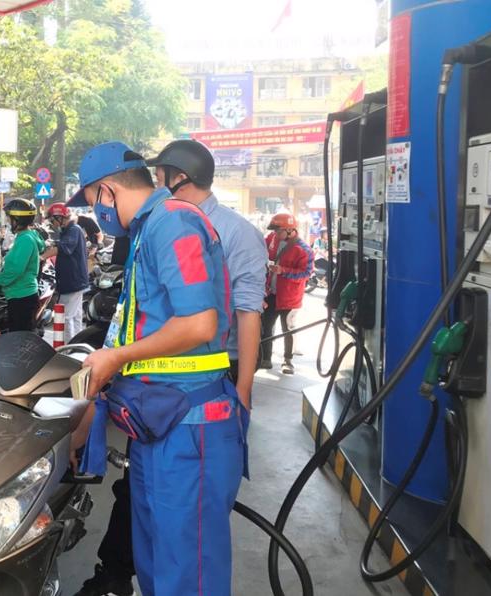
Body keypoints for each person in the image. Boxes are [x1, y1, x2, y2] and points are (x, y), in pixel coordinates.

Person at [74, 139, 265, 596]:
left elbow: (200, 324)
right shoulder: (150, 228)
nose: (97, 214)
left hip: (189, 430)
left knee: (187, 575)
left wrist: (116, 357)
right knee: (158, 563)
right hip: (160, 423)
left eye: (91, 202)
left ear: (106, 192)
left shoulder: (174, 223)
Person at [259, 213, 314, 375]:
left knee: (287, 329)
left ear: (290, 230)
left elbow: (306, 274)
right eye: (274, 231)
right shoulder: (271, 240)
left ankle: (288, 361)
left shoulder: (303, 250)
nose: (275, 234)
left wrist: (284, 271)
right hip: (271, 293)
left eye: (279, 231)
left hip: (289, 298)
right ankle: (265, 358)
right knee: (265, 327)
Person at [0, 198, 45, 332]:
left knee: (19, 340)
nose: (9, 222)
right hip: (21, 295)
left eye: (10, 219)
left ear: (17, 220)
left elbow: (16, 269)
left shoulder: (25, 240)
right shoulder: (25, 237)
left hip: (22, 298)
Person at [42, 202, 89, 342]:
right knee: (75, 316)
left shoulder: (73, 230)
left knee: (66, 316)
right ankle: (76, 344)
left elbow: (63, 248)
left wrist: (42, 257)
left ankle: (67, 349)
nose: (52, 223)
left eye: (52, 219)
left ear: (60, 217)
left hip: (72, 281)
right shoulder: (70, 230)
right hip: (76, 280)